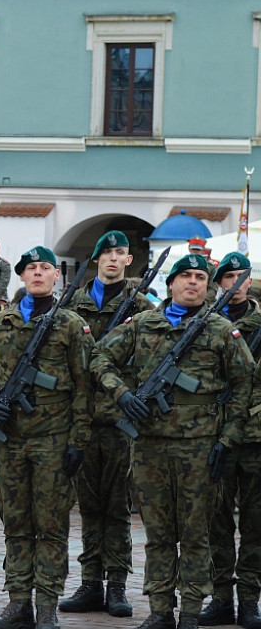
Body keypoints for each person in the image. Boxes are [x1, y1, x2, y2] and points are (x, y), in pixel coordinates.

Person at [91, 253, 252, 629]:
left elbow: (246, 382)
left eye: (200, 277)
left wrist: (228, 438)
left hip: (200, 446)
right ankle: (161, 609)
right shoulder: (143, 324)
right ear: (171, 283)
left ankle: (192, 611)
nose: (193, 282)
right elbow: (99, 357)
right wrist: (122, 395)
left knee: (196, 535)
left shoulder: (218, 329)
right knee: (159, 534)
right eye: (186, 276)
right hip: (149, 446)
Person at [0, 245, 94, 629]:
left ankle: (46, 605)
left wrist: (79, 441)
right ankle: (18, 600)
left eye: (45, 268)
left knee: (52, 526)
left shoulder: (71, 324)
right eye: (31, 268)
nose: (38, 273)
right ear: (21, 276)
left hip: (54, 441)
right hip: (12, 441)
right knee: (16, 525)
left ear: (57, 277)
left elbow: (85, 387)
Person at [62, 231, 153, 618]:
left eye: (120, 253)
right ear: (96, 258)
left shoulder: (143, 307)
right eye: (106, 253)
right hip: (80, 418)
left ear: (129, 261)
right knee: (88, 506)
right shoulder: (73, 304)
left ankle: (117, 584)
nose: (113, 259)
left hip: (118, 418)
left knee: (117, 506)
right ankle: (90, 583)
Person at [199, 252, 261, 628]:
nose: (235, 283)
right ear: (217, 283)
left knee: (256, 523)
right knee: (215, 522)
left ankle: (250, 599)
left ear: (250, 282)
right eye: (227, 277)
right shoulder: (204, 324)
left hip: (256, 438)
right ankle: (221, 596)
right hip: (213, 434)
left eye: (241, 276)